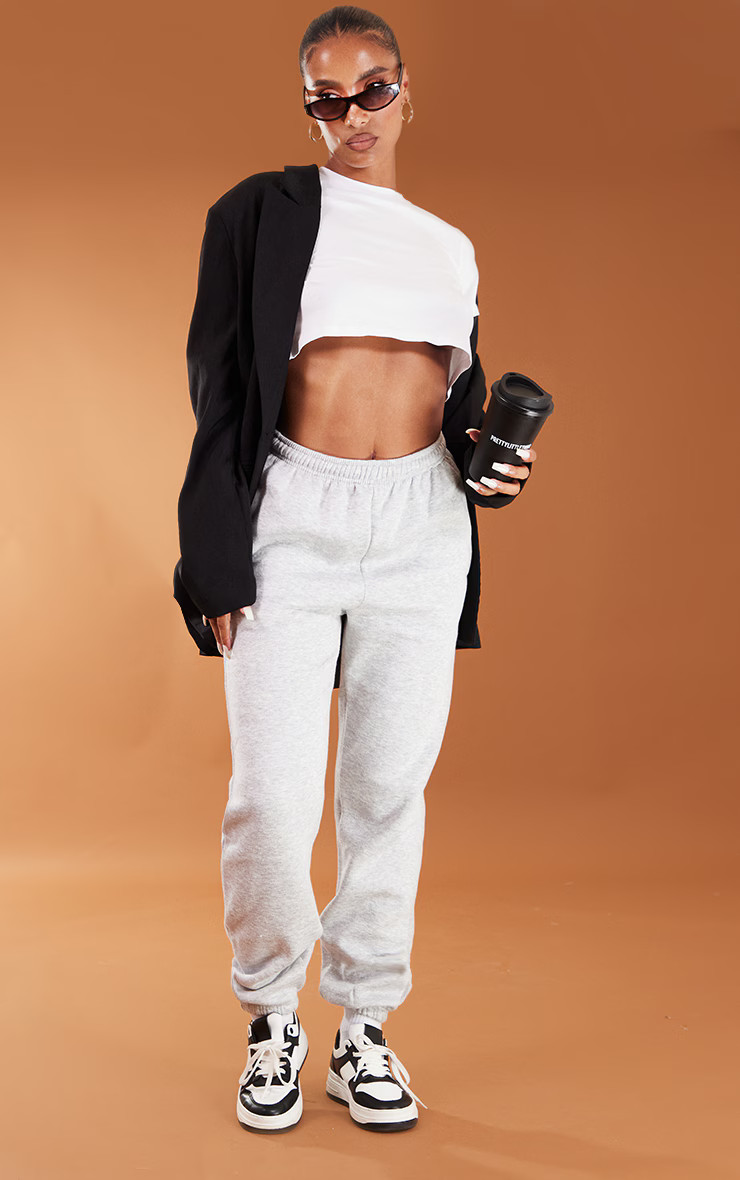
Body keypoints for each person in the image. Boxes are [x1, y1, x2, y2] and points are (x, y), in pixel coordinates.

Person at [173, 5, 537, 1135]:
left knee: (386, 790)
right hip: (294, 512)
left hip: (420, 522)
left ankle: (364, 1025)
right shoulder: (259, 212)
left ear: (406, 89)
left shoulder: (446, 245)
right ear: (308, 109)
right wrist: (212, 552)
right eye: (326, 99)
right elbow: (218, 387)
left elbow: (456, 403)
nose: (352, 116)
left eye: (372, 89)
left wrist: (493, 465)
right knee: (271, 797)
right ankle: (272, 1017)